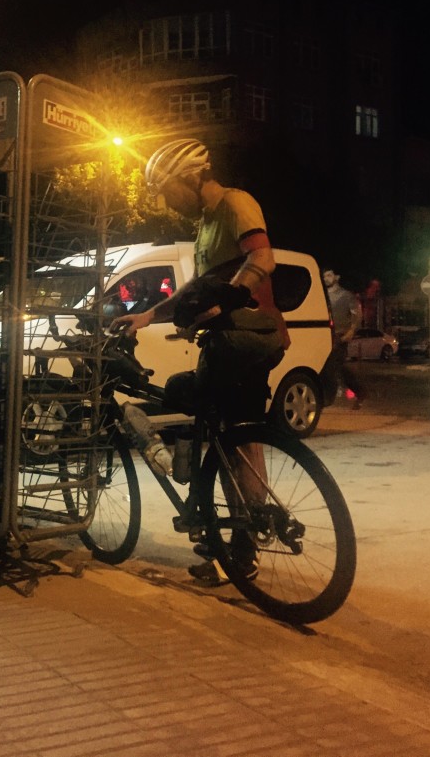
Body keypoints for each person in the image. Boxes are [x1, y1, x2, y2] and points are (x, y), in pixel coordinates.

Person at [113, 138, 289, 585]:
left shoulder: (235, 203)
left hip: (247, 337)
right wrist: (149, 316)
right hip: (231, 340)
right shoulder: (205, 226)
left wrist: (227, 299)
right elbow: (194, 292)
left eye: (167, 191)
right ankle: (239, 538)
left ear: (190, 178)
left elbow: (261, 257)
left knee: (179, 393)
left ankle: (219, 527)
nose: (166, 203)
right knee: (234, 437)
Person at [322, 267, 365, 409]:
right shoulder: (322, 296)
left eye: (329, 275)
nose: (326, 278)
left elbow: (357, 315)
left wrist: (351, 331)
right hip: (326, 336)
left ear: (337, 277)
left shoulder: (346, 295)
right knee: (337, 367)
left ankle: (328, 399)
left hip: (340, 336)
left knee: (332, 367)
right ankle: (360, 391)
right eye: (324, 276)